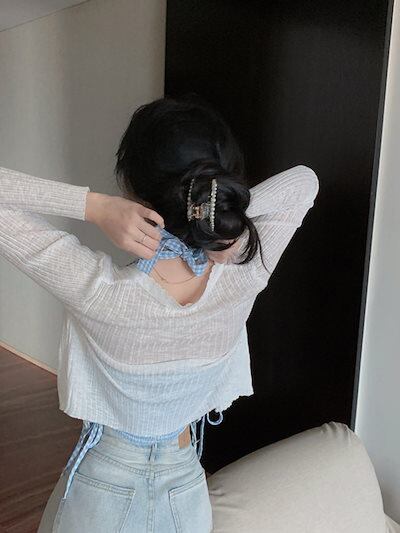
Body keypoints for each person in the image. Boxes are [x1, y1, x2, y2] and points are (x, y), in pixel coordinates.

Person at [0, 93, 319, 532]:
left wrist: (94, 206)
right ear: (225, 181)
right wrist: (224, 221)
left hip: (102, 487)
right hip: (186, 492)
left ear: (130, 190)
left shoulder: (101, 292)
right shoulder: (246, 274)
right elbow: (304, 182)